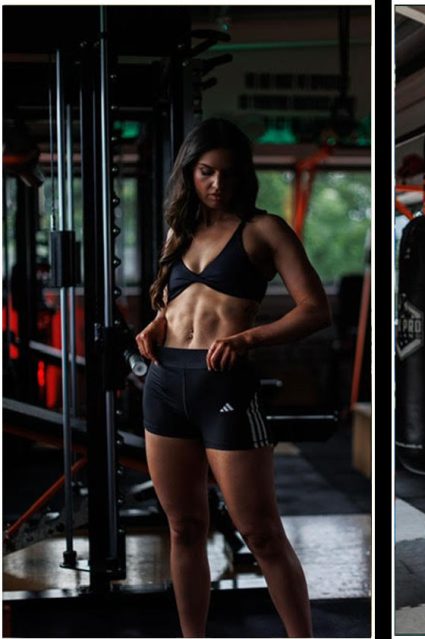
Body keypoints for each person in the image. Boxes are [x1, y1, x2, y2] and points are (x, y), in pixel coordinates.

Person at [135, 118, 330, 638]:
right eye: (205, 172)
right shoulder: (180, 230)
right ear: (190, 173)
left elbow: (314, 310)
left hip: (224, 386)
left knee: (261, 533)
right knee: (183, 528)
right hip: (164, 385)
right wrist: (156, 323)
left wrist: (249, 339)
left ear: (244, 175)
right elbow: (173, 301)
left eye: (227, 173)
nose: (217, 184)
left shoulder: (264, 230)